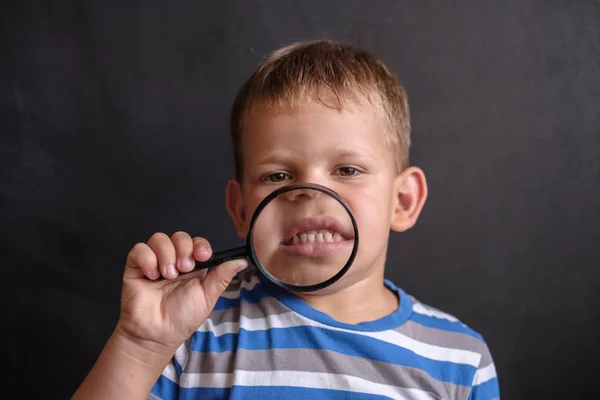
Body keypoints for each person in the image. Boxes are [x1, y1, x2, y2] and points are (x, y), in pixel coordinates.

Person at [72, 39, 500, 400]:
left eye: (347, 170)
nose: (305, 194)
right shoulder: (189, 329)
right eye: (277, 175)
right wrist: (140, 346)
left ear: (403, 200)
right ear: (241, 210)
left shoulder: (460, 359)